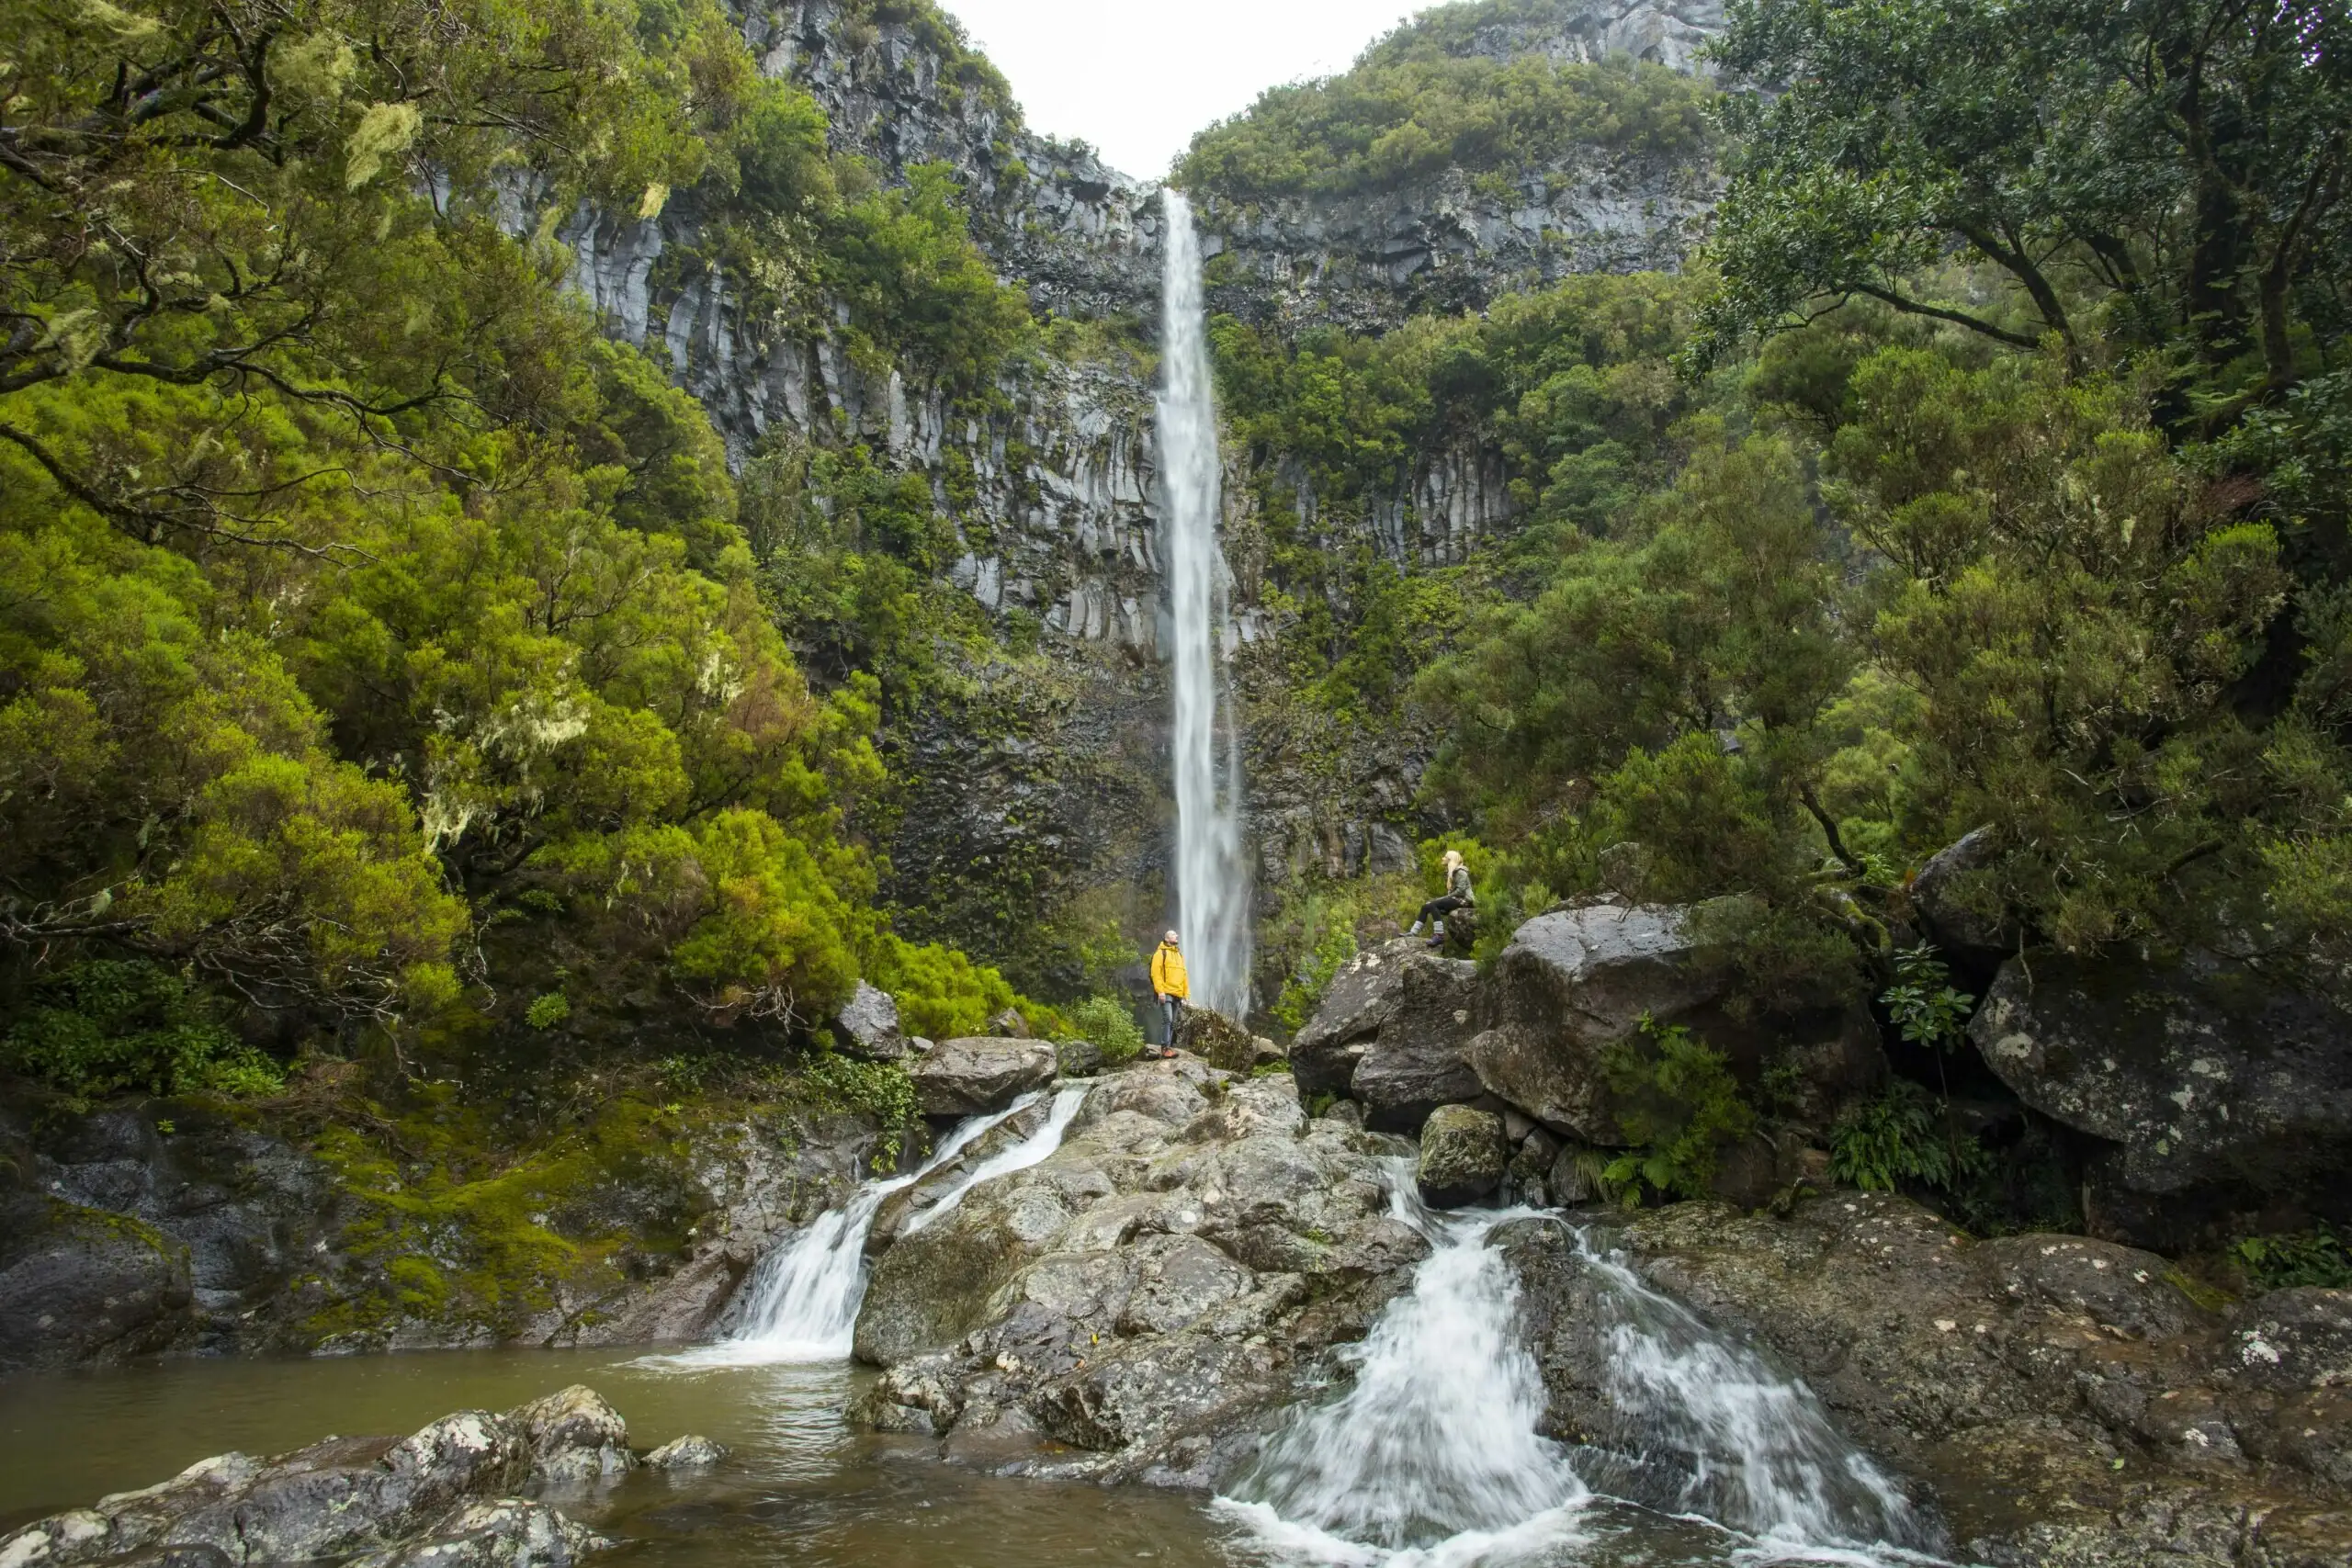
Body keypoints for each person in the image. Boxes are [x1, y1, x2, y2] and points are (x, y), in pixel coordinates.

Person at [1408, 851, 1475, 948]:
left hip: (1465, 900)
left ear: (1451, 859)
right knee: (1426, 906)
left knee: (1433, 904)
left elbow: (1460, 891)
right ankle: (1413, 932)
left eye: (1445, 857)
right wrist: (1443, 898)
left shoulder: (1461, 872)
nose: (1443, 858)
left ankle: (1439, 936)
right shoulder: (1453, 872)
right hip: (1456, 899)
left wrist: (1443, 898)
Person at [1149, 930, 1189, 1053]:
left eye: (1176, 934)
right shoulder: (1160, 953)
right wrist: (1160, 991)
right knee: (1168, 1019)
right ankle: (1164, 1047)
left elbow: (1184, 975)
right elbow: (1155, 973)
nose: (1177, 936)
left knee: (1173, 1023)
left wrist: (1186, 993)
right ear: (1166, 939)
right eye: (1173, 935)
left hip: (1177, 993)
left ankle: (1169, 1047)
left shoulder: (1179, 955)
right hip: (1165, 992)